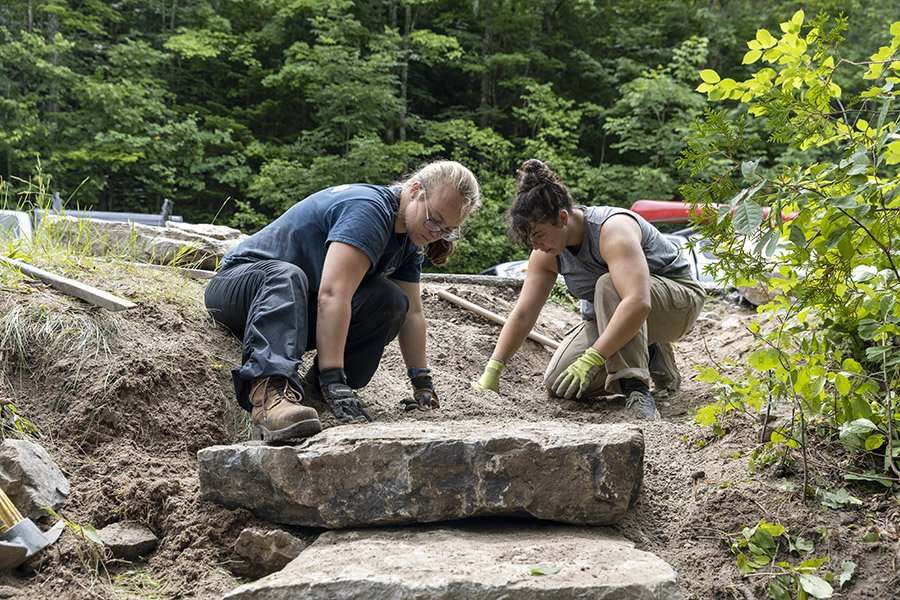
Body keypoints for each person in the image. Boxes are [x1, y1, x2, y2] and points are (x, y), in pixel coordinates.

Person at [205, 161, 481, 441]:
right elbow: (333, 294)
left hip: (294, 309)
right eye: (433, 219)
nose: (435, 233)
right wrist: (333, 376)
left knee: (391, 300)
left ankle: (314, 394)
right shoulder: (369, 210)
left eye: (447, 230)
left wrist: (422, 383)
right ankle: (269, 396)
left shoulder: (409, 240)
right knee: (287, 275)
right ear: (415, 190)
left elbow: (413, 315)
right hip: (240, 290)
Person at [473, 159, 705, 420]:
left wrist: (594, 356)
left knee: (607, 284)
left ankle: (636, 389)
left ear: (562, 217)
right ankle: (650, 353)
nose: (536, 245)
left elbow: (637, 301)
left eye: (539, 235)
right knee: (560, 382)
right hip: (617, 314)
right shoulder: (545, 254)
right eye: (530, 239)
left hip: (676, 303)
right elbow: (524, 314)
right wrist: (493, 369)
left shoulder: (612, 230)